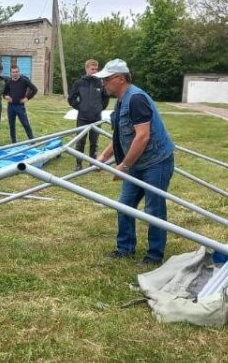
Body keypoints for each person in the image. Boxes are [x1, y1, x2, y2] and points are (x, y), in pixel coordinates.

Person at [95, 59, 175, 266]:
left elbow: (142, 137)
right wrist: (103, 157)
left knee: (154, 209)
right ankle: (125, 248)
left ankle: (154, 255)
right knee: (125, 205)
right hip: (137, 162)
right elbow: (122, 135)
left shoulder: (136, 99)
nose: (104, 84)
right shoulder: (121, 100)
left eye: (106, 79)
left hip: (156, 161)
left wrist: (123, 166)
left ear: (120, 78)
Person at [67, 59, 110, 168]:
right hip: (83, 118)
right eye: (92, 69)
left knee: (94, 142)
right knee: (80, 142)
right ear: (87, 69)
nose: (94, 71)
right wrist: (80, 107)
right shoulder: (79, 83)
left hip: (96, 118)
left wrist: (100, 108)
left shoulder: (101, 83)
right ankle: (78, 164)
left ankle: (93, 163)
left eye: (96, 69)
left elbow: (106, 97)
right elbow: (71, 98)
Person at [3, 63, 38, 143]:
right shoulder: (8, 82)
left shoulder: (24, 80)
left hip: (20, 106)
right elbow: (4, 93)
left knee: (25, 123)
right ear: (11, 73)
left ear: (19, 72)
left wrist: (27, 98)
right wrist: (5, 97)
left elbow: (34, 89)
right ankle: (13, 142)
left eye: (16, 72)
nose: (15, 74)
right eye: (13, 72)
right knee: (12, 125)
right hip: (11, 106)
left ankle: (32, 141)